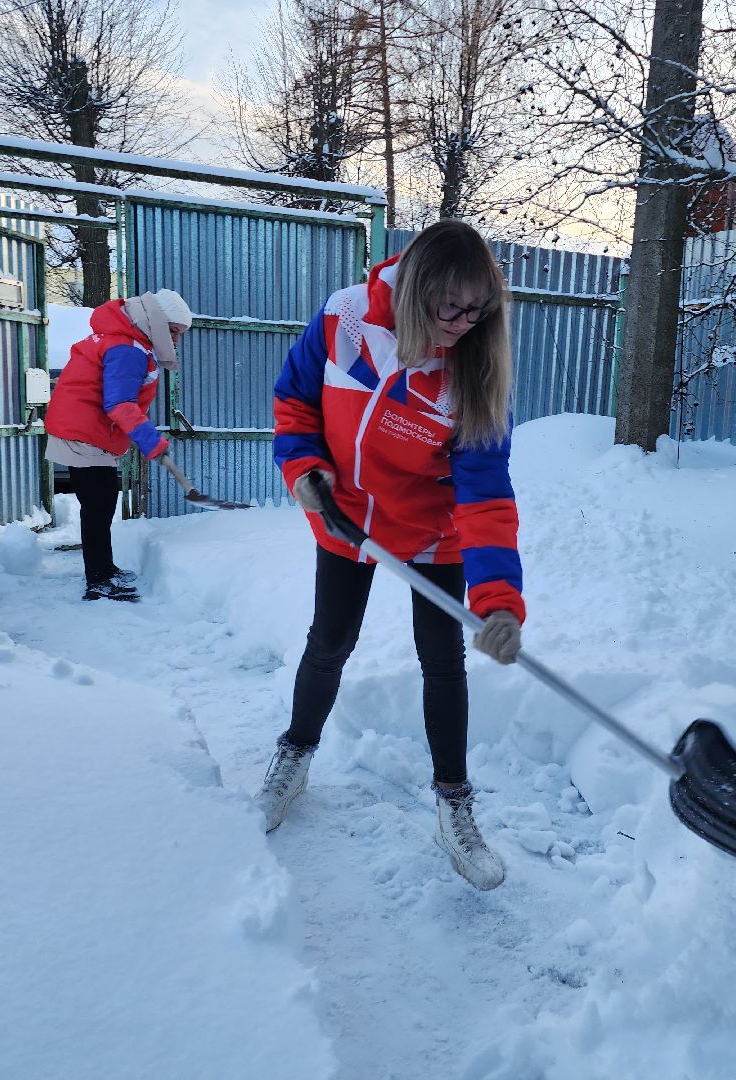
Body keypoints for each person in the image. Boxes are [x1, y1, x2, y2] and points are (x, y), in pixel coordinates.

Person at [261, 219, 524, 891]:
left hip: (434, 534)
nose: (465, 323)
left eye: (479, 309)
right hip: (345, 520)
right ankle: (295, 754)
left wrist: (498, 602)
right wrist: (305, 472)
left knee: (444, 660)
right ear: (416, 291)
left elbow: (487, 493)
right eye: (450, 308)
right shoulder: (345, 321)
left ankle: (454, 804)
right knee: (331, 641)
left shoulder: (473, 370)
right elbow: (294, 403)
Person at [44, 288, 193, 602]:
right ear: (158, 322)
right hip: (85, 435)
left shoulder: (123, 338)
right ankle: (97, 581)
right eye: (175, 332)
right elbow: (120, 404)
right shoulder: (128, 349)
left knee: (101, 504)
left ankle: (105, 569)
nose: (177, 340)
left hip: (85, 431)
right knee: (98, 508)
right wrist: (152, 442)